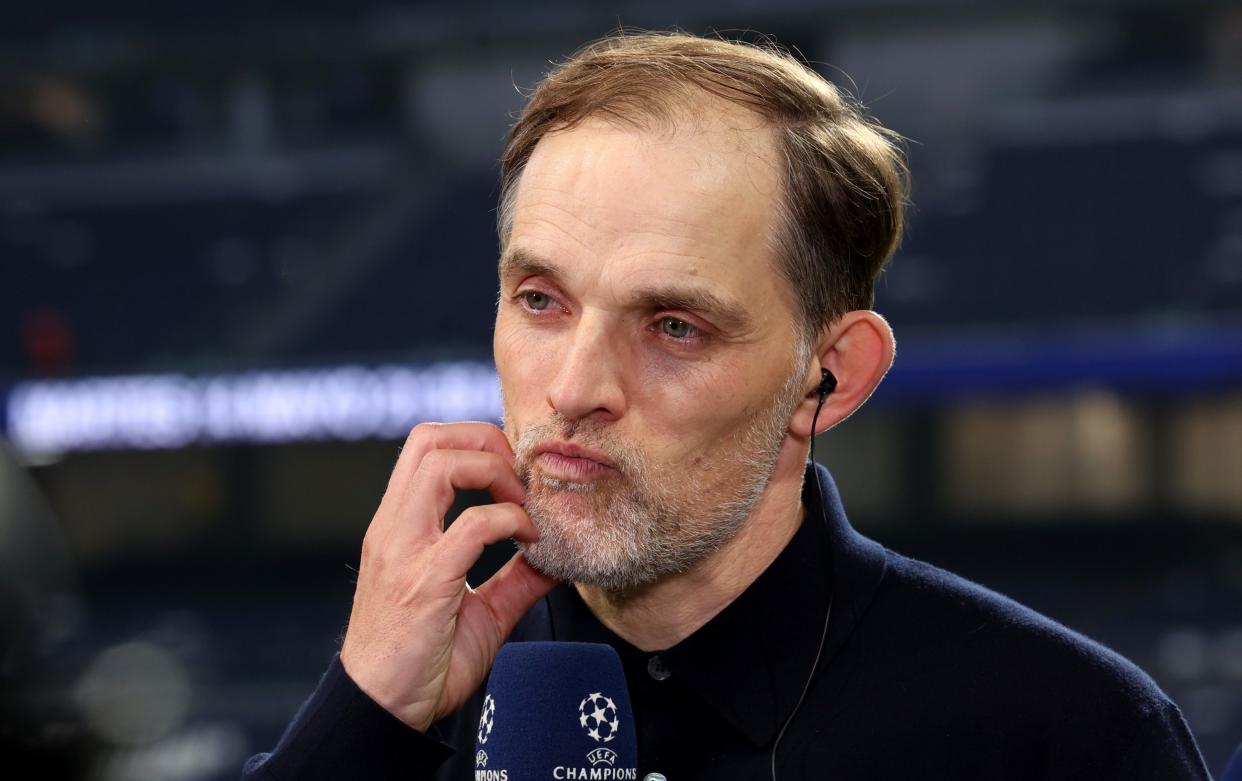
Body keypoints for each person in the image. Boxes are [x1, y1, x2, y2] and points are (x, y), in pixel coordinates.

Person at [243, 32, 1210, 780]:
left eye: (673, 326)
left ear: (830, 374)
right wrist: (361, 713)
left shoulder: (1059, 733)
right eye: (540, 301)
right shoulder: (395, 717)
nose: (574, 388)